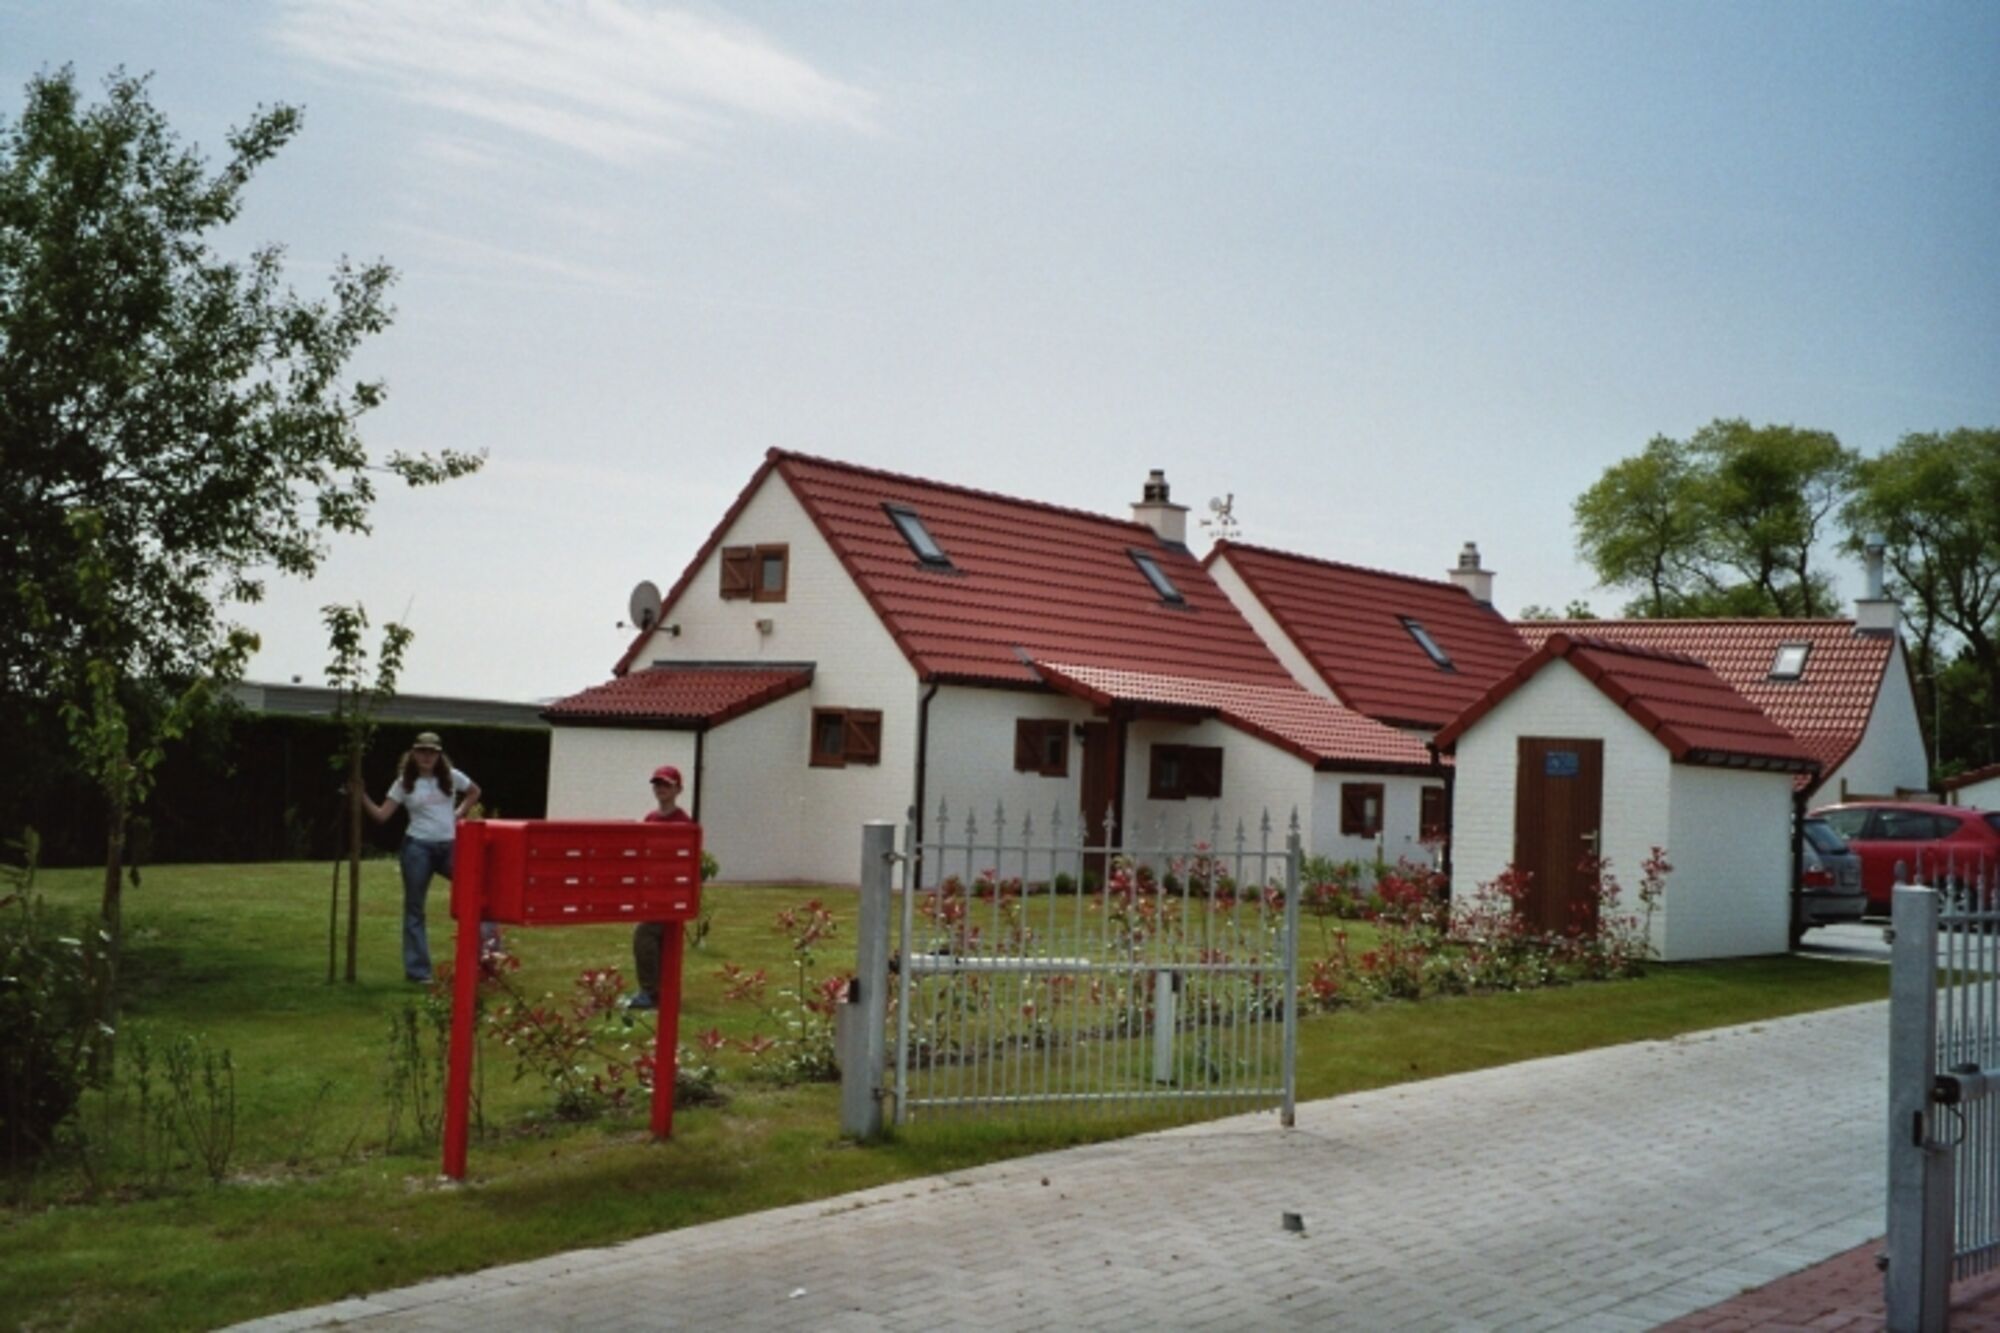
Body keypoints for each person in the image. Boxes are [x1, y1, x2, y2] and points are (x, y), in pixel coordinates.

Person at [360, 731, 485, 982]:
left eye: (432, 752)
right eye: (422, 751)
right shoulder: (403, 783)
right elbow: (382, 815)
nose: (427, 756)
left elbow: (474, 791)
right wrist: (361, 796)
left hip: (449, 846)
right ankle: (418, 972)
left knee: (477, 893)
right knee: (415, 908)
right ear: (413, 754)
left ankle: (486, 960)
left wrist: (459, 813)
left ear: (439, 755)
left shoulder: (451, 776)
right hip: (418, 848)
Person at [629, 764, 692, 1010]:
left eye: (666, 784)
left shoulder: (683, 823)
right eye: (657, 784)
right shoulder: (650, 819)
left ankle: (650, 992)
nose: (660, 788)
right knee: (660, 942)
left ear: (678, 790)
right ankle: (665, 992)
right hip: (651, 892)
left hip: (671, 894)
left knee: (644, 935)